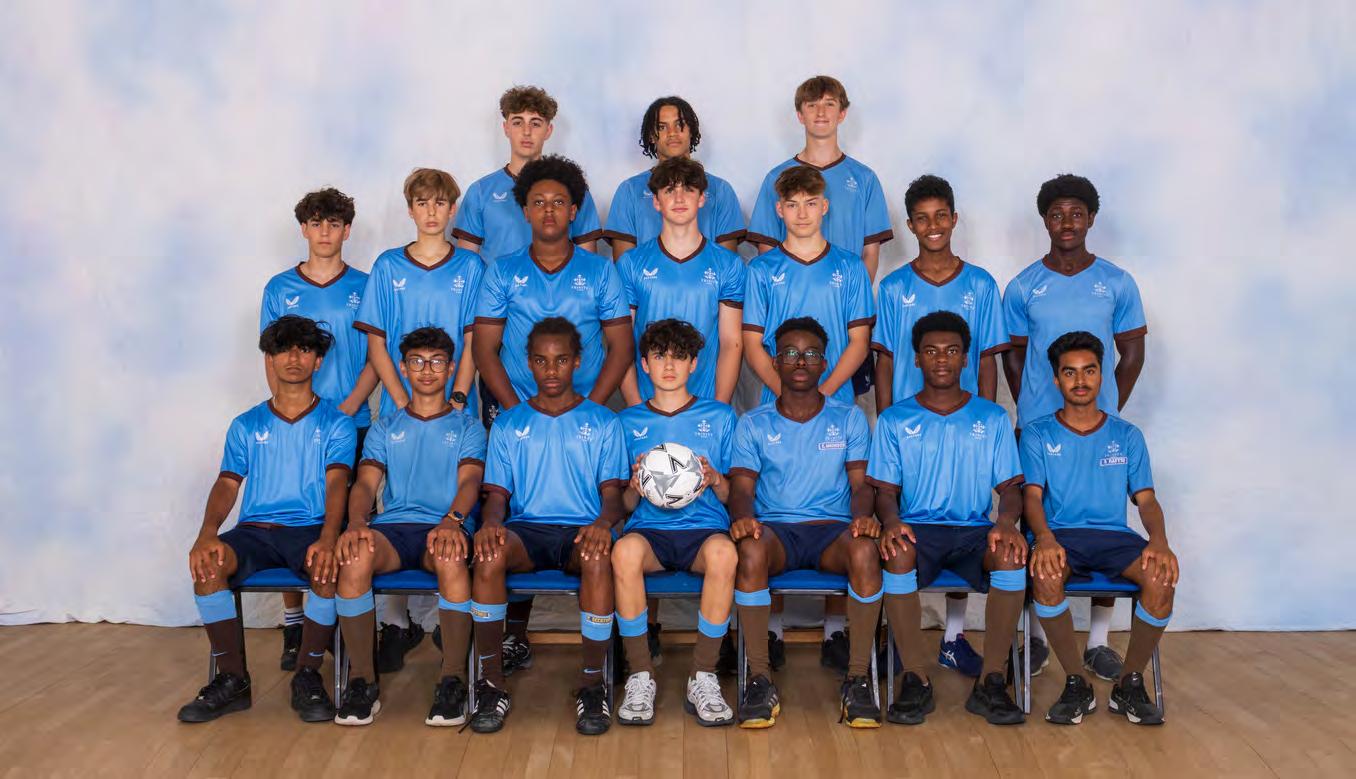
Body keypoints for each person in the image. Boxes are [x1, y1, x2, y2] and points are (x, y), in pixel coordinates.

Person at [1002, 173, 1148, 681]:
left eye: (1077, 214)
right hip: (1039, 428)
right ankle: (1039, 638)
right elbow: (1013, 356)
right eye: (1057, 214)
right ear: (1044, 220)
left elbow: (1132, 353)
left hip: (1098, 425)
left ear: (1091, 219)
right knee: (1038, 524)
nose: (1067, 222)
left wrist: (1107, 406)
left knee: (1106, 520)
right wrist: (1030, 406)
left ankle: (1100, 642)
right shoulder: (1023, 285)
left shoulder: (1117, 282)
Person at [177, 315, 356, 724]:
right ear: (269, 359)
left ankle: (307, 675)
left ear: (318, 361)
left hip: (309, 528)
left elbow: (337, 485)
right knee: (209, 565)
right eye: (282, 350)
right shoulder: (246, 424)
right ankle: (232, 680)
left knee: (328, 569)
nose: (293, 358)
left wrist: (330, 537)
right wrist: (207, 534)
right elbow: (227, 484)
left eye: (304, 349)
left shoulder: (337, 423)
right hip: (255, 531)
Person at [871, 174, 1009, 678]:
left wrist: (983, 427)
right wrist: (885, 420)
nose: (933, 226)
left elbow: (988, 359)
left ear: (954, 219)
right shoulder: (893, 287)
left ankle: (953, 637)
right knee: (909, 528)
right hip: (909, 432)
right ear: (910, 225)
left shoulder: (981, 284)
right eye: (922, 218)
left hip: (965, 425)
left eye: (941, 216)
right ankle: (901, 640)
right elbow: (885, 361)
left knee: (963, 517)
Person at [466, 318, 629, 736]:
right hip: (527, 530)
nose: (551, 370)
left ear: (577, 362)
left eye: (561, 360)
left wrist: (602, 523)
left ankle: (592, 684)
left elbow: (613, 496)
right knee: (488, 553)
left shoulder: (604, 422)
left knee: (598, 556)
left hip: (581, 529)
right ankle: (491, 684)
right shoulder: (509, 423)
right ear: (529, 363)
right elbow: (497, 497)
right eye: (541, 361)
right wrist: (489, 524)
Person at [869, 311, 1027, 726]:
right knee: (896, 554)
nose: (942, 359)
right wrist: (890, 522)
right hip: (918, 529)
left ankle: (991, 680)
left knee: (1011, 556)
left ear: (965, 359)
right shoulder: (895, 419)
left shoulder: (991, 418)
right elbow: (884, 491)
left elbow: (1011, 488)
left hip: (974, 529)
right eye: (932, 351)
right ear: (917, 358)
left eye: (952, 351)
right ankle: (914, 678)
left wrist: (1006, 523)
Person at [355, 167, 485, 669]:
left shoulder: (470, 267)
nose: (432, 212)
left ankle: (448, 628)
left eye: (440, 203)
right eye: (423, 203)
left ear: (452, 210)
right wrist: (401, 397)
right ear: (410, 209)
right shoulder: (388, 266)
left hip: (454, 405)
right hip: (401, 404)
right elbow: (377, 342)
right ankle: (395, 621)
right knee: (395, 505)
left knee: (450, 499)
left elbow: (473, 340)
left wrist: (458, 395)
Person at [330, 327, 487, 727]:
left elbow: (470, 482)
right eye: (417, 361)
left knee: (450, 557)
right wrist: (356, 522)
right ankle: (362, 682)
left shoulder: (468, 426)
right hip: (395, 527)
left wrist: (452, 521)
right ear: (402, 368)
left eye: (436, 362)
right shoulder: (385, 427)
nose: (427, 370)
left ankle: (452, 680)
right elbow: (365, 484)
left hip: (445, 526)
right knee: (354, 556)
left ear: (451, 368)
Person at [728, 317, 880, 729]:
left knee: (866, 551)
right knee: (750, 550)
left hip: (832, 531)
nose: (800, 361)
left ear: (824, 363)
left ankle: (858, 679)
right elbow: (741, 488)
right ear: (775, 362)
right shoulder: (753, 422)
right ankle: (760, 678)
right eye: (790, 353)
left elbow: (861, 485)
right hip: (777, 531)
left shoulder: (848, 418)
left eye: (811, 353)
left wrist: (862, 517)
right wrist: (743, 518)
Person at [1021, 331, 1177, 726]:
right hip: (1061, 535)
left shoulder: (1127, 435)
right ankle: (1077, 683)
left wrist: (1160, 541)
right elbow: (1032, 498)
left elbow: (1146, 500)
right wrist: (1044, 538)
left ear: (1101, 375)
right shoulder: (1038, 433)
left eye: (1089, 371)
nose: (1080, 380)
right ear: (1056, 379)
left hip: (1114, 538)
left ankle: (1129, 684)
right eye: (1070, 372)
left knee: (1160, 578)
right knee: (1046, 574)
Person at [259, 187, 377, 670]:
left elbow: (376, 356)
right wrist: (290, 411)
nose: (324, 232)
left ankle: (348, 620)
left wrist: (346, 409)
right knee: (292, 515)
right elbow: (272, 355)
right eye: (316, 223)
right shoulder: (279, 288)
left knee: (348, 520)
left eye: (334, 224)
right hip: (297, 422)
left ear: (347, 231)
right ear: (303, 229)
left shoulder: (366, 285)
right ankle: (295, 622)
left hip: (352, 419)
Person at [613, 319, 738, 727]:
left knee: (724, 554)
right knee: (624, 552)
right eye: (659, 356)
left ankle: (702, 675)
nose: (669, 366)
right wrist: (634, 487)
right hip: (650, 532)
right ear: (644, 364)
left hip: (703, 530)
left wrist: (715, 479)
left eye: (679, 357)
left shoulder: (720, 416)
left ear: (694, 364)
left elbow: (733, 496)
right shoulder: (627, 422)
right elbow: (624, 505)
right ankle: (640, 675)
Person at [616, 157, 746, 405]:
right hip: (647, 401)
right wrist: (635, 407)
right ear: (656, 202)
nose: (678, 198)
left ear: (701, 198)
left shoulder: (728, 265)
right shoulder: (631, 263)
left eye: (688, 189)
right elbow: (622, 342)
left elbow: (732, 343)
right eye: (669, 190)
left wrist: (718, 408)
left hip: (705, 402)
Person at [743, 165, 873, 407]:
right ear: (780, 210)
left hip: (836, 401)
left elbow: (859, 342)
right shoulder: (761, 269)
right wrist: (788, 396)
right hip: (778, 403)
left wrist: (821, 396)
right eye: (792, 205)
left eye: (811, 203)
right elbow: (752, 345)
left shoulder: (851, 266)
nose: (802, 214)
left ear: (824, 206)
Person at [746, 75, 892, 279]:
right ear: (800, 115)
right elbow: (767, 251)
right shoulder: (776, 178)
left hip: (846, 293)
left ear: (842, 114)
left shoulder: (864, 179)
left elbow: (870, 253)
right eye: (812, 105)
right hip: (792, 294)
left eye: (829, 104)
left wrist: (857, 295)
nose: (821, 112)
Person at [454, 85, 603, 260]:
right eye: (518, 122)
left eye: (535, 123)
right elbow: (466, 265)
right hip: (497, 279)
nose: (526, 131)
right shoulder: (480, 192)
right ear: (506, 128)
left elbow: (588, 264)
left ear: (548, 131)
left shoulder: (572, 187)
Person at [604, 95, 745, 257]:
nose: (672, 133)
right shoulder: (629, 190)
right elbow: (624, 266)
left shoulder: (720, 190)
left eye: (679, 125)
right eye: (662, 127)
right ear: (651, 136)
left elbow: (728, 264)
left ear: (691, 131)